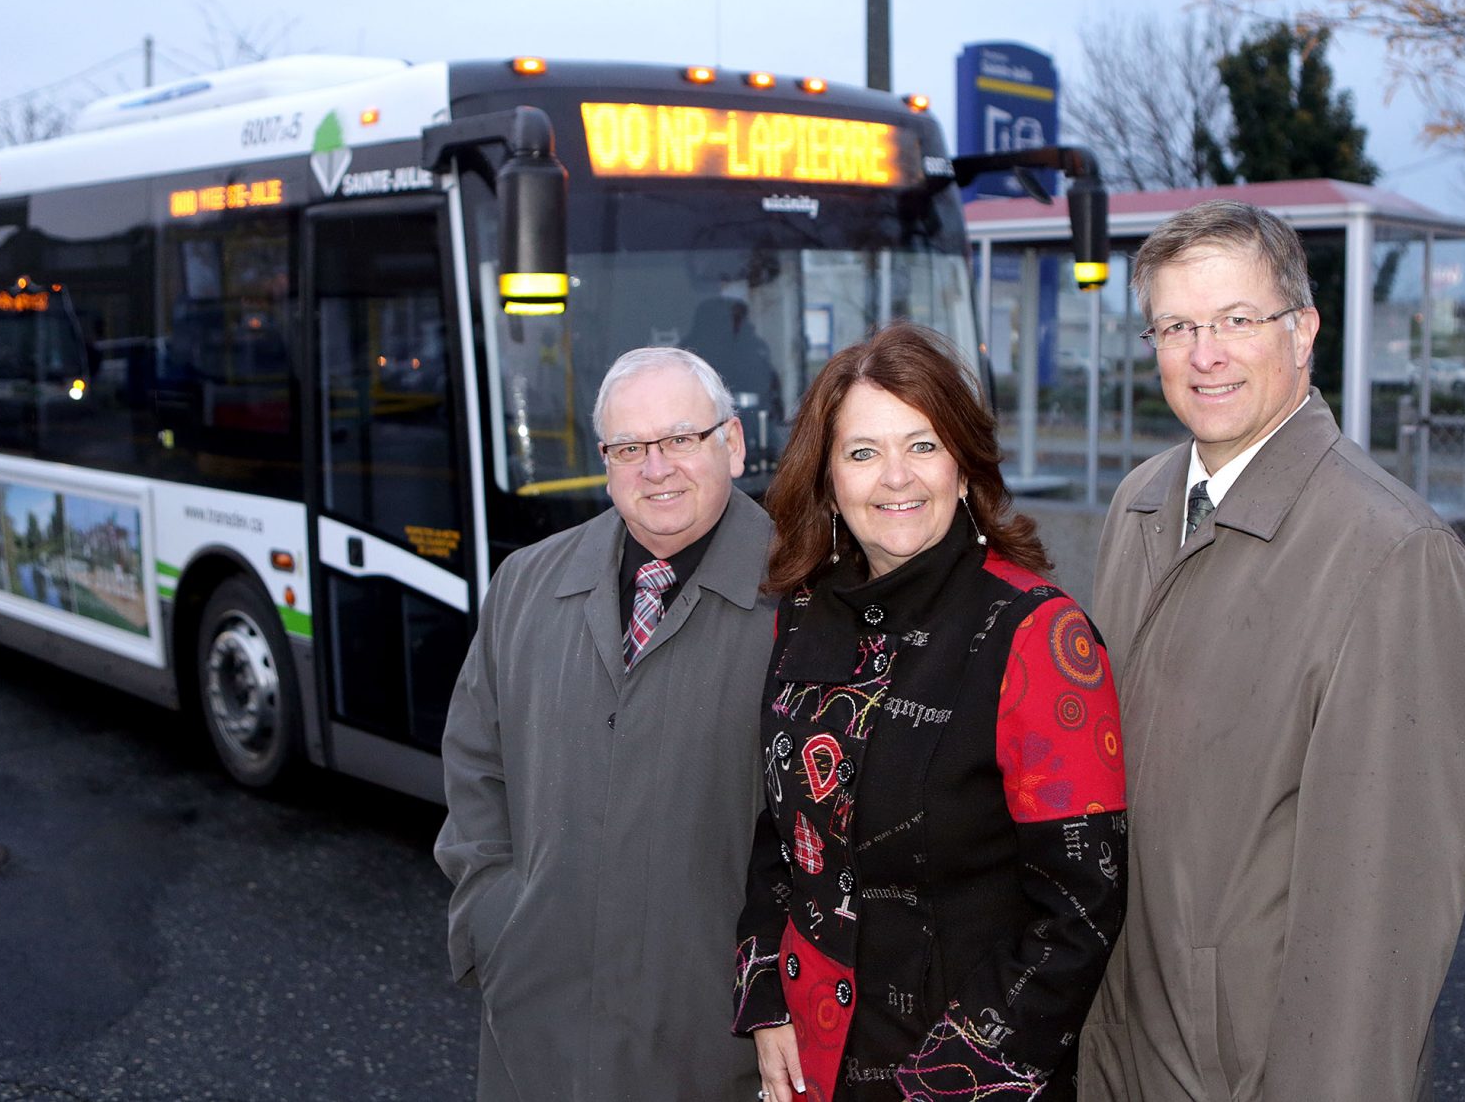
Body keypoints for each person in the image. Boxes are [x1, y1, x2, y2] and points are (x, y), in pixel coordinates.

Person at [1077, 200, 1465, 1101]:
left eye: (1236, 321)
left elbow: (1382, 924)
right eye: (1178, 325)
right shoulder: (1141, 504)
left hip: (1250, 1073)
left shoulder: (1391, 555)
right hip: (1118, 1046)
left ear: (1304, 332)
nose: (1204, 353)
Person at [734, 323, 1128, 1101]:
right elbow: (784, 829)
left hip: (965, 1075)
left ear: (963, 464)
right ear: (826, 479)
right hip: (812, 1056)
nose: (895, 478)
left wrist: (952, 1080)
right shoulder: (803, 611)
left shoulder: (1038, 635)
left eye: (922, 444)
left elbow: (1082, 906)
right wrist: (765, 993)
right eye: (862, 451)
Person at [434, 346, 776, 1101]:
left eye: (681, 439)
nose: (656, 468)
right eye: (630, 448)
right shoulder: (527, 581)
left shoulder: (805, 602)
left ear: (734, 442)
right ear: (605, 460)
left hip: (711, 1049)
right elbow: (474, 768)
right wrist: (494, 923)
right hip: (537, 1033)